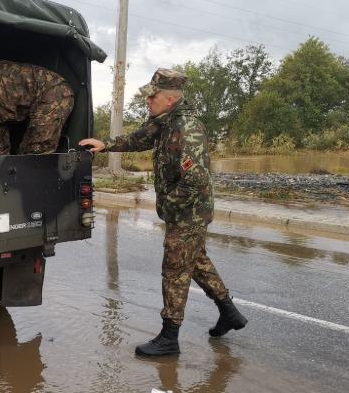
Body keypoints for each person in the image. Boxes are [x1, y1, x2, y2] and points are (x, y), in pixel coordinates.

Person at [78, 68, 248, 357]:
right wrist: (105, 144)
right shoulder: (165, 121)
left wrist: (168, 202)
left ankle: (169, 336)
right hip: (184, 211)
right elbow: (139, 138)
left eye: (152, 96)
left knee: (174, 270)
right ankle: (229, 312)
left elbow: (196, 180)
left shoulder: (186, 128)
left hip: (189, 212)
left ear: (169, 99)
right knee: (195, 262)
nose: (148, 100)